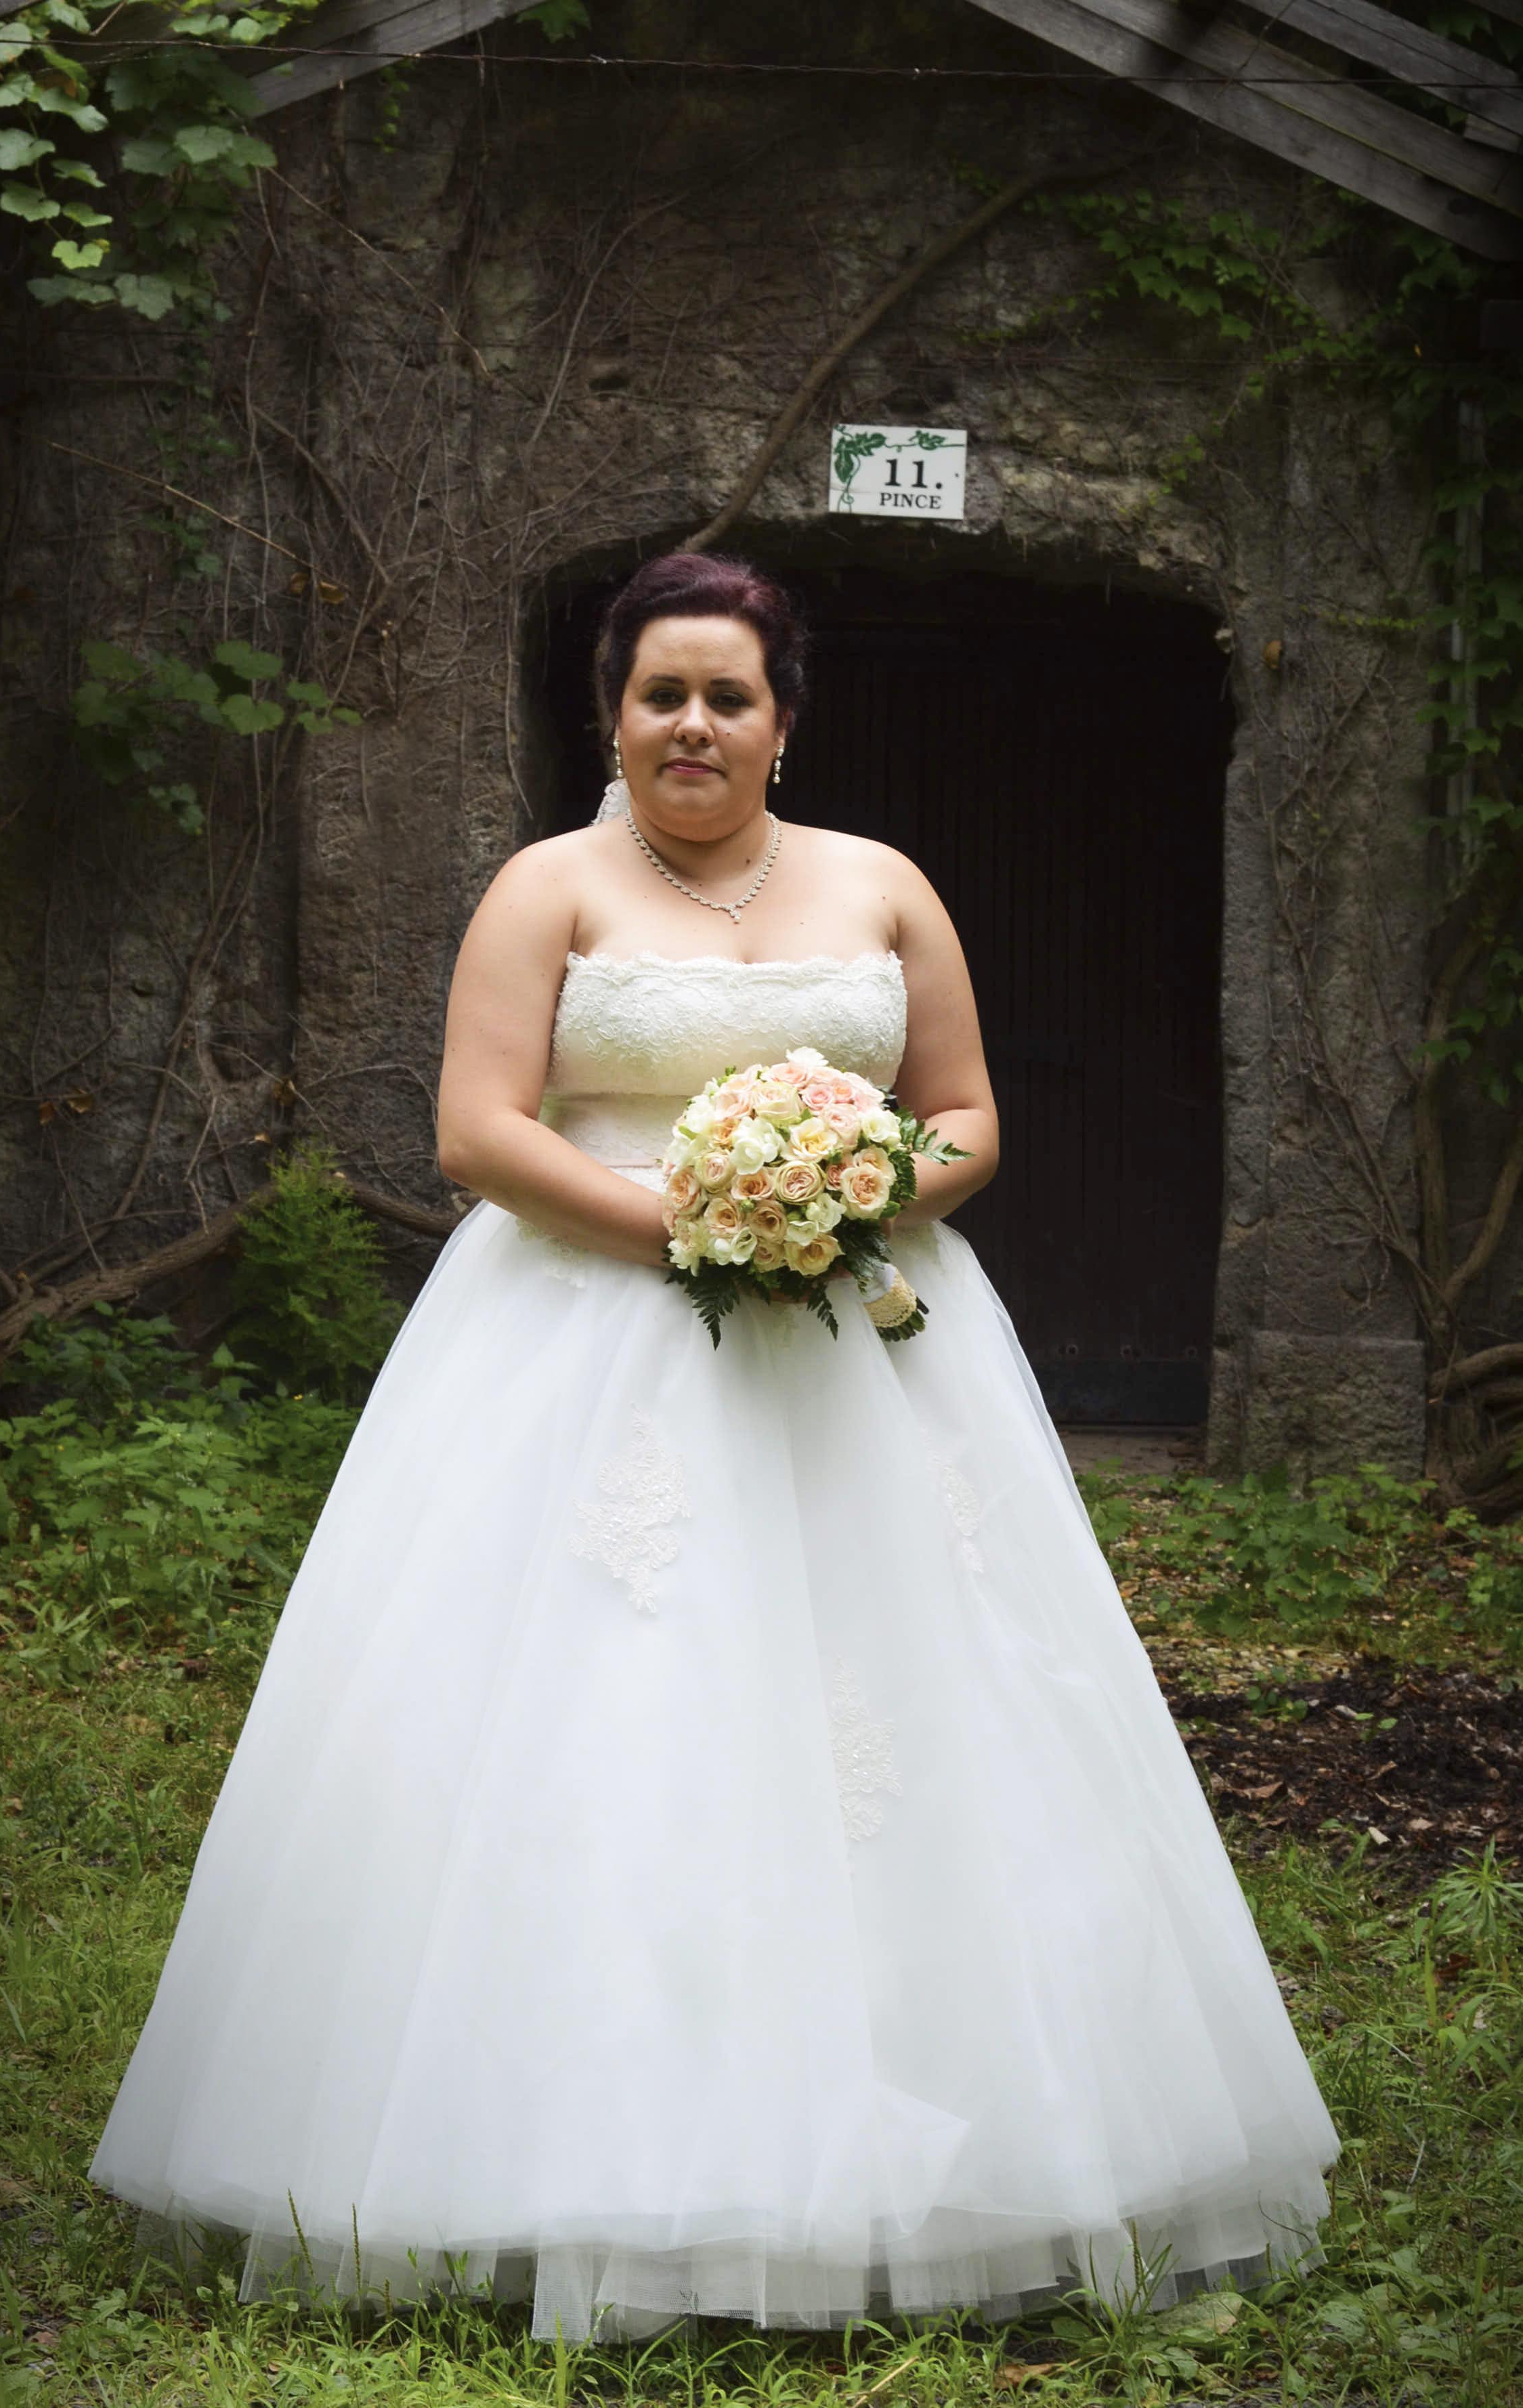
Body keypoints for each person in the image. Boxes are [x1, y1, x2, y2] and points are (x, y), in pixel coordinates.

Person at [89, 551, 1340, 2346]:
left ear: (782, 720)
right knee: (598, 1705)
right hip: (580, 1341)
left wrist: (847, 1204)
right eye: (658, 693)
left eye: (726, 696)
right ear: (612, 716)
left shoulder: (883, 884)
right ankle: (555, 2143)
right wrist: (695, 1227)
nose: (692, 724)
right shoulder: (546, 886)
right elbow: (477, 1128)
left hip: (865, 1346)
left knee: (915, 1705)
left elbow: (965, 1116)